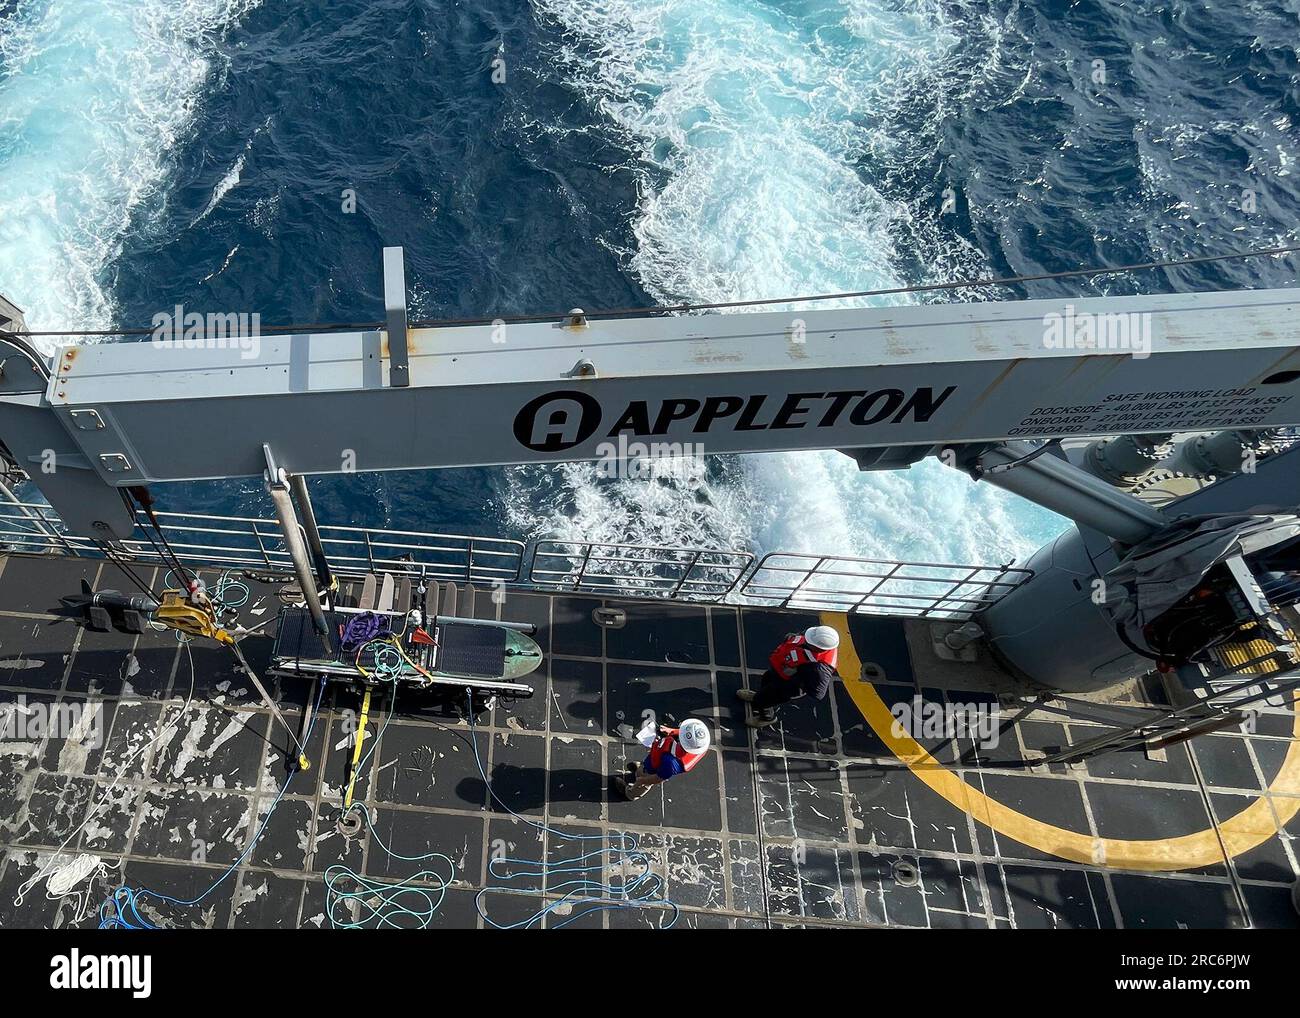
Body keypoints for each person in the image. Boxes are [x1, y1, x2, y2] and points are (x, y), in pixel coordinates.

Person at [737, 624, 840, 728]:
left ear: (819, 648)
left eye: (809, 641)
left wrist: (799, 676)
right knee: (766, 681)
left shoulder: (819, 667)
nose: (805, 639)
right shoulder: (813, 636)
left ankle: (767, 718)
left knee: (765, 700)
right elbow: (798, 637)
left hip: (787, 686)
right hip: (779, 671)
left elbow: (818, 693)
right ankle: (757, 696)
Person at [615, 718, 711, 800]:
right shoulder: (699, 745)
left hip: (654, 769)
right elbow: (684, 733)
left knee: (643, 782)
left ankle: (630, 794)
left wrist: (643, 781)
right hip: (657, 759)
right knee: (644, 768)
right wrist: (671, 731)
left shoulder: (671, 763)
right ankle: (640, 769)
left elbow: (658, 778)